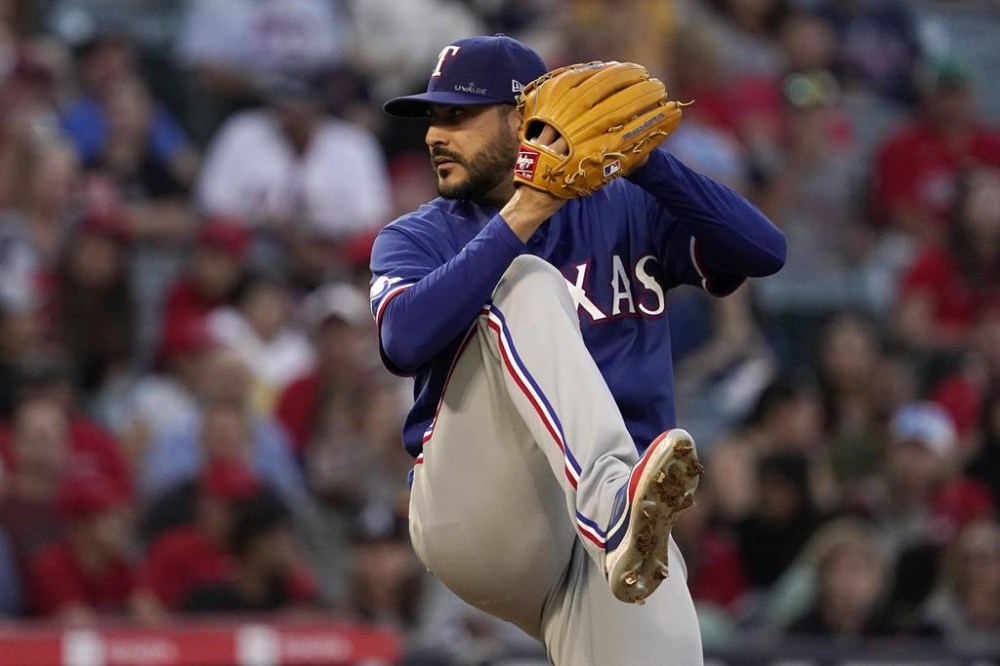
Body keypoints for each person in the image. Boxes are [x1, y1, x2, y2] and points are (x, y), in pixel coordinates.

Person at [370, 35, 786, 664]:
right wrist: (524, 214)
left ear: (526, 119)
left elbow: (764, 251)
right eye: (433, 117)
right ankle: (611, 504)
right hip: (485, 511)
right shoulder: (417, 235)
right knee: (529, 280)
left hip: (615, 544)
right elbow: (402, 340)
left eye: (457, 115)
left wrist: (647, 162)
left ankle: (617, 515)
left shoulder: (626, 208)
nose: (434, 135)